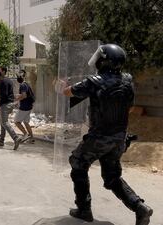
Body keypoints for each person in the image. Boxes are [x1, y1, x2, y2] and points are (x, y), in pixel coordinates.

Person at [55, 44, 153, 225]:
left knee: (77, 162)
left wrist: (62, 86)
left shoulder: (94, 81)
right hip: (119, 138)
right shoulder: (127, 80)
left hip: (99, 137)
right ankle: (140, 207)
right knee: (112, 177)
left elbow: (69, 92)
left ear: (104, 60)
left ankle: (84, 210)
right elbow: (130, 108)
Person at [0, 67, 23, 150]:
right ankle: (1, 140)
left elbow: (4, 96)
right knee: (2, 122)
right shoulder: (8, 81)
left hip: (5, 105)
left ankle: (15, 138)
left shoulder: (3, 82)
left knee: (4, 122)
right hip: (10, 104)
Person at [14, 70, 35, 143]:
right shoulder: (26, 84)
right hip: (29, 106)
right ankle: (31, 138)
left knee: (16, 121)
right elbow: (25, 95)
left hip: (24, 107)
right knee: (26, 122)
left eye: (18, 76)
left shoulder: (22, 85)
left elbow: (24, 96)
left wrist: (17, 99)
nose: (18, 78)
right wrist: (19, 97)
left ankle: (25, 134)